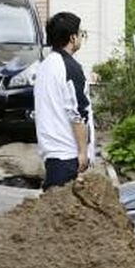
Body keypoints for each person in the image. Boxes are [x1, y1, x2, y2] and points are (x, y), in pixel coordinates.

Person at [35, 12, 95, 190]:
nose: (81, 38)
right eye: (80, 33)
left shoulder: (45, 66)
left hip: (51, 151)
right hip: (68, 155)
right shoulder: (70, 67)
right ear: (72, 37)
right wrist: (83, 152)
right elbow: (77, 114)